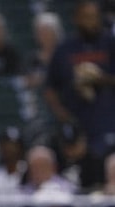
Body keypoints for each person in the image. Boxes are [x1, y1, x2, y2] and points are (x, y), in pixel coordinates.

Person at [44, 0, 115, 161]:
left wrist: (100, 79)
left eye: (94, 17)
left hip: (109, 123)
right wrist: (63, 115)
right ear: (75, 19)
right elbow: (49, 89)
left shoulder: (110, 43)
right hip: (78, 126)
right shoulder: (64, 49)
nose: (90, 22)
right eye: (85, 17)